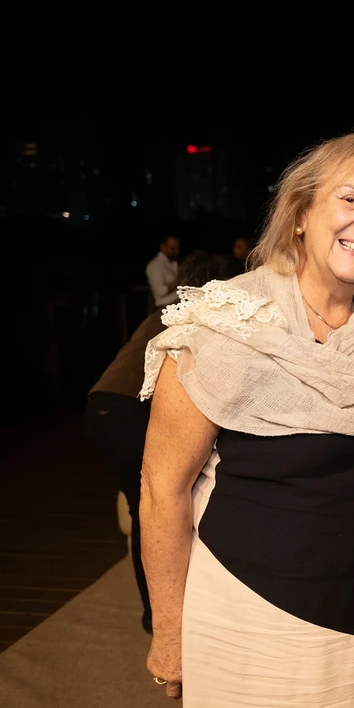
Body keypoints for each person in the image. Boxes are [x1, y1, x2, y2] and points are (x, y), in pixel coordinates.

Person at [138, 130, 354, 708]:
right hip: (249, 618)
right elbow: (163, 487)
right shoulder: (223, 322)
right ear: (300, 214)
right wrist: (169, 629)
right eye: (351, 200)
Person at [83, 250, 234, 634]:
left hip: (98, 408)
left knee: (142, 508)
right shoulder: (197, 321)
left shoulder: (162, 315)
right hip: (125, 412)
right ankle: (160, 617)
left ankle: (160, 611)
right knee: (153, 510)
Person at [145, 233, 181, 308]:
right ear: (163, 247)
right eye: (173, 248)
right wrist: (180, 280)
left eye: (177, 248)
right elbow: (160, 291)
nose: (176, 251)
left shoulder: (174, 263)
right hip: (165, 307)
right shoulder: (156, 265)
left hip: (178, 304)